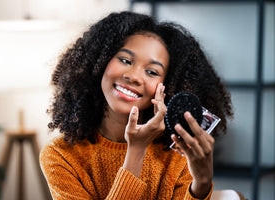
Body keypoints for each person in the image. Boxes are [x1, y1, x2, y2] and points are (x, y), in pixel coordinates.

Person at [40, 11, 233, 200]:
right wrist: (136, 150)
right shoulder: (60, 156)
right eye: (125, 60)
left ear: (169, 85)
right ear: (100, 62)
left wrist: (202, 184)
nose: (133, 76)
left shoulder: (178, 154)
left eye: (151, 72)